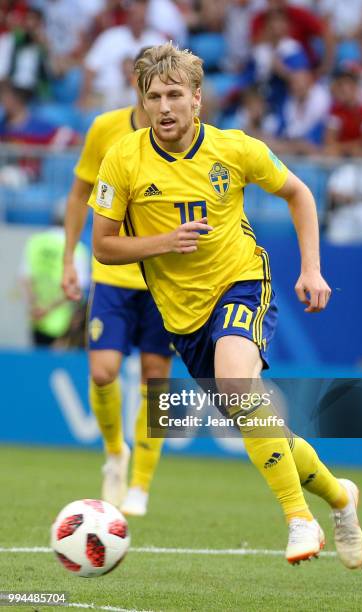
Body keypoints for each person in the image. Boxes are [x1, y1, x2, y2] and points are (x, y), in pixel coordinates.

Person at [89, 42, 362, 568]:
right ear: (142, 103)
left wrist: (311, 269)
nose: (164, 106)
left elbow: (300, 193)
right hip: (182, 315)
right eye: (154, 96)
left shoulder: (235, 149)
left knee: (240, 387)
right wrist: (163, 242)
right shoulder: (123, 158)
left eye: (175, 94)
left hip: (240, 282)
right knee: (259, 421)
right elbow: (103, 244)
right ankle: (338, 496)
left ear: (197, 99)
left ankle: (297, 518)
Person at [62, 48, 173, 516]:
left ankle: (142, 485)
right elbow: (80, 192)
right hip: (112, 272)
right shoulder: (106, 129)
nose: (160, 100)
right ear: (136, 85)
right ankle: (115, 452)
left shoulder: (178, 138)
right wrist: (70, 258)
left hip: (164, 279)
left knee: (155, 378)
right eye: (150, 85)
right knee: (103, 369)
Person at [21, 204, 90, 348]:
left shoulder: (36, 241)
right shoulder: (78, 249)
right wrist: (49, 309)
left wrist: (37, 308)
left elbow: (26, 279)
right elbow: (77, 291)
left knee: (37, 364)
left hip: (37, 320)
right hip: (63, 325)